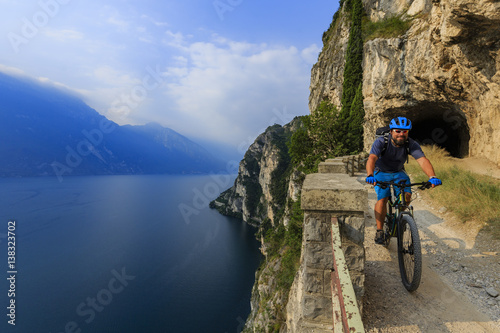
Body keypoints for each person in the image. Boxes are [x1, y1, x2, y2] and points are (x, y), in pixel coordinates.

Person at [365, 116, 442, 244]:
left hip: (399, 172)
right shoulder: (381, 142)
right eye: (398, 131)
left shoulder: (411, 143)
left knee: (406, 196)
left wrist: (432, 177)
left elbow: (422, 160)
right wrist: (370, 175)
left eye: (405, 131)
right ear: (391, 131)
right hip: (381, 172)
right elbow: (372, 158)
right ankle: (379, 230)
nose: (401, 134)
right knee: (383, 197)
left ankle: (399, 219)